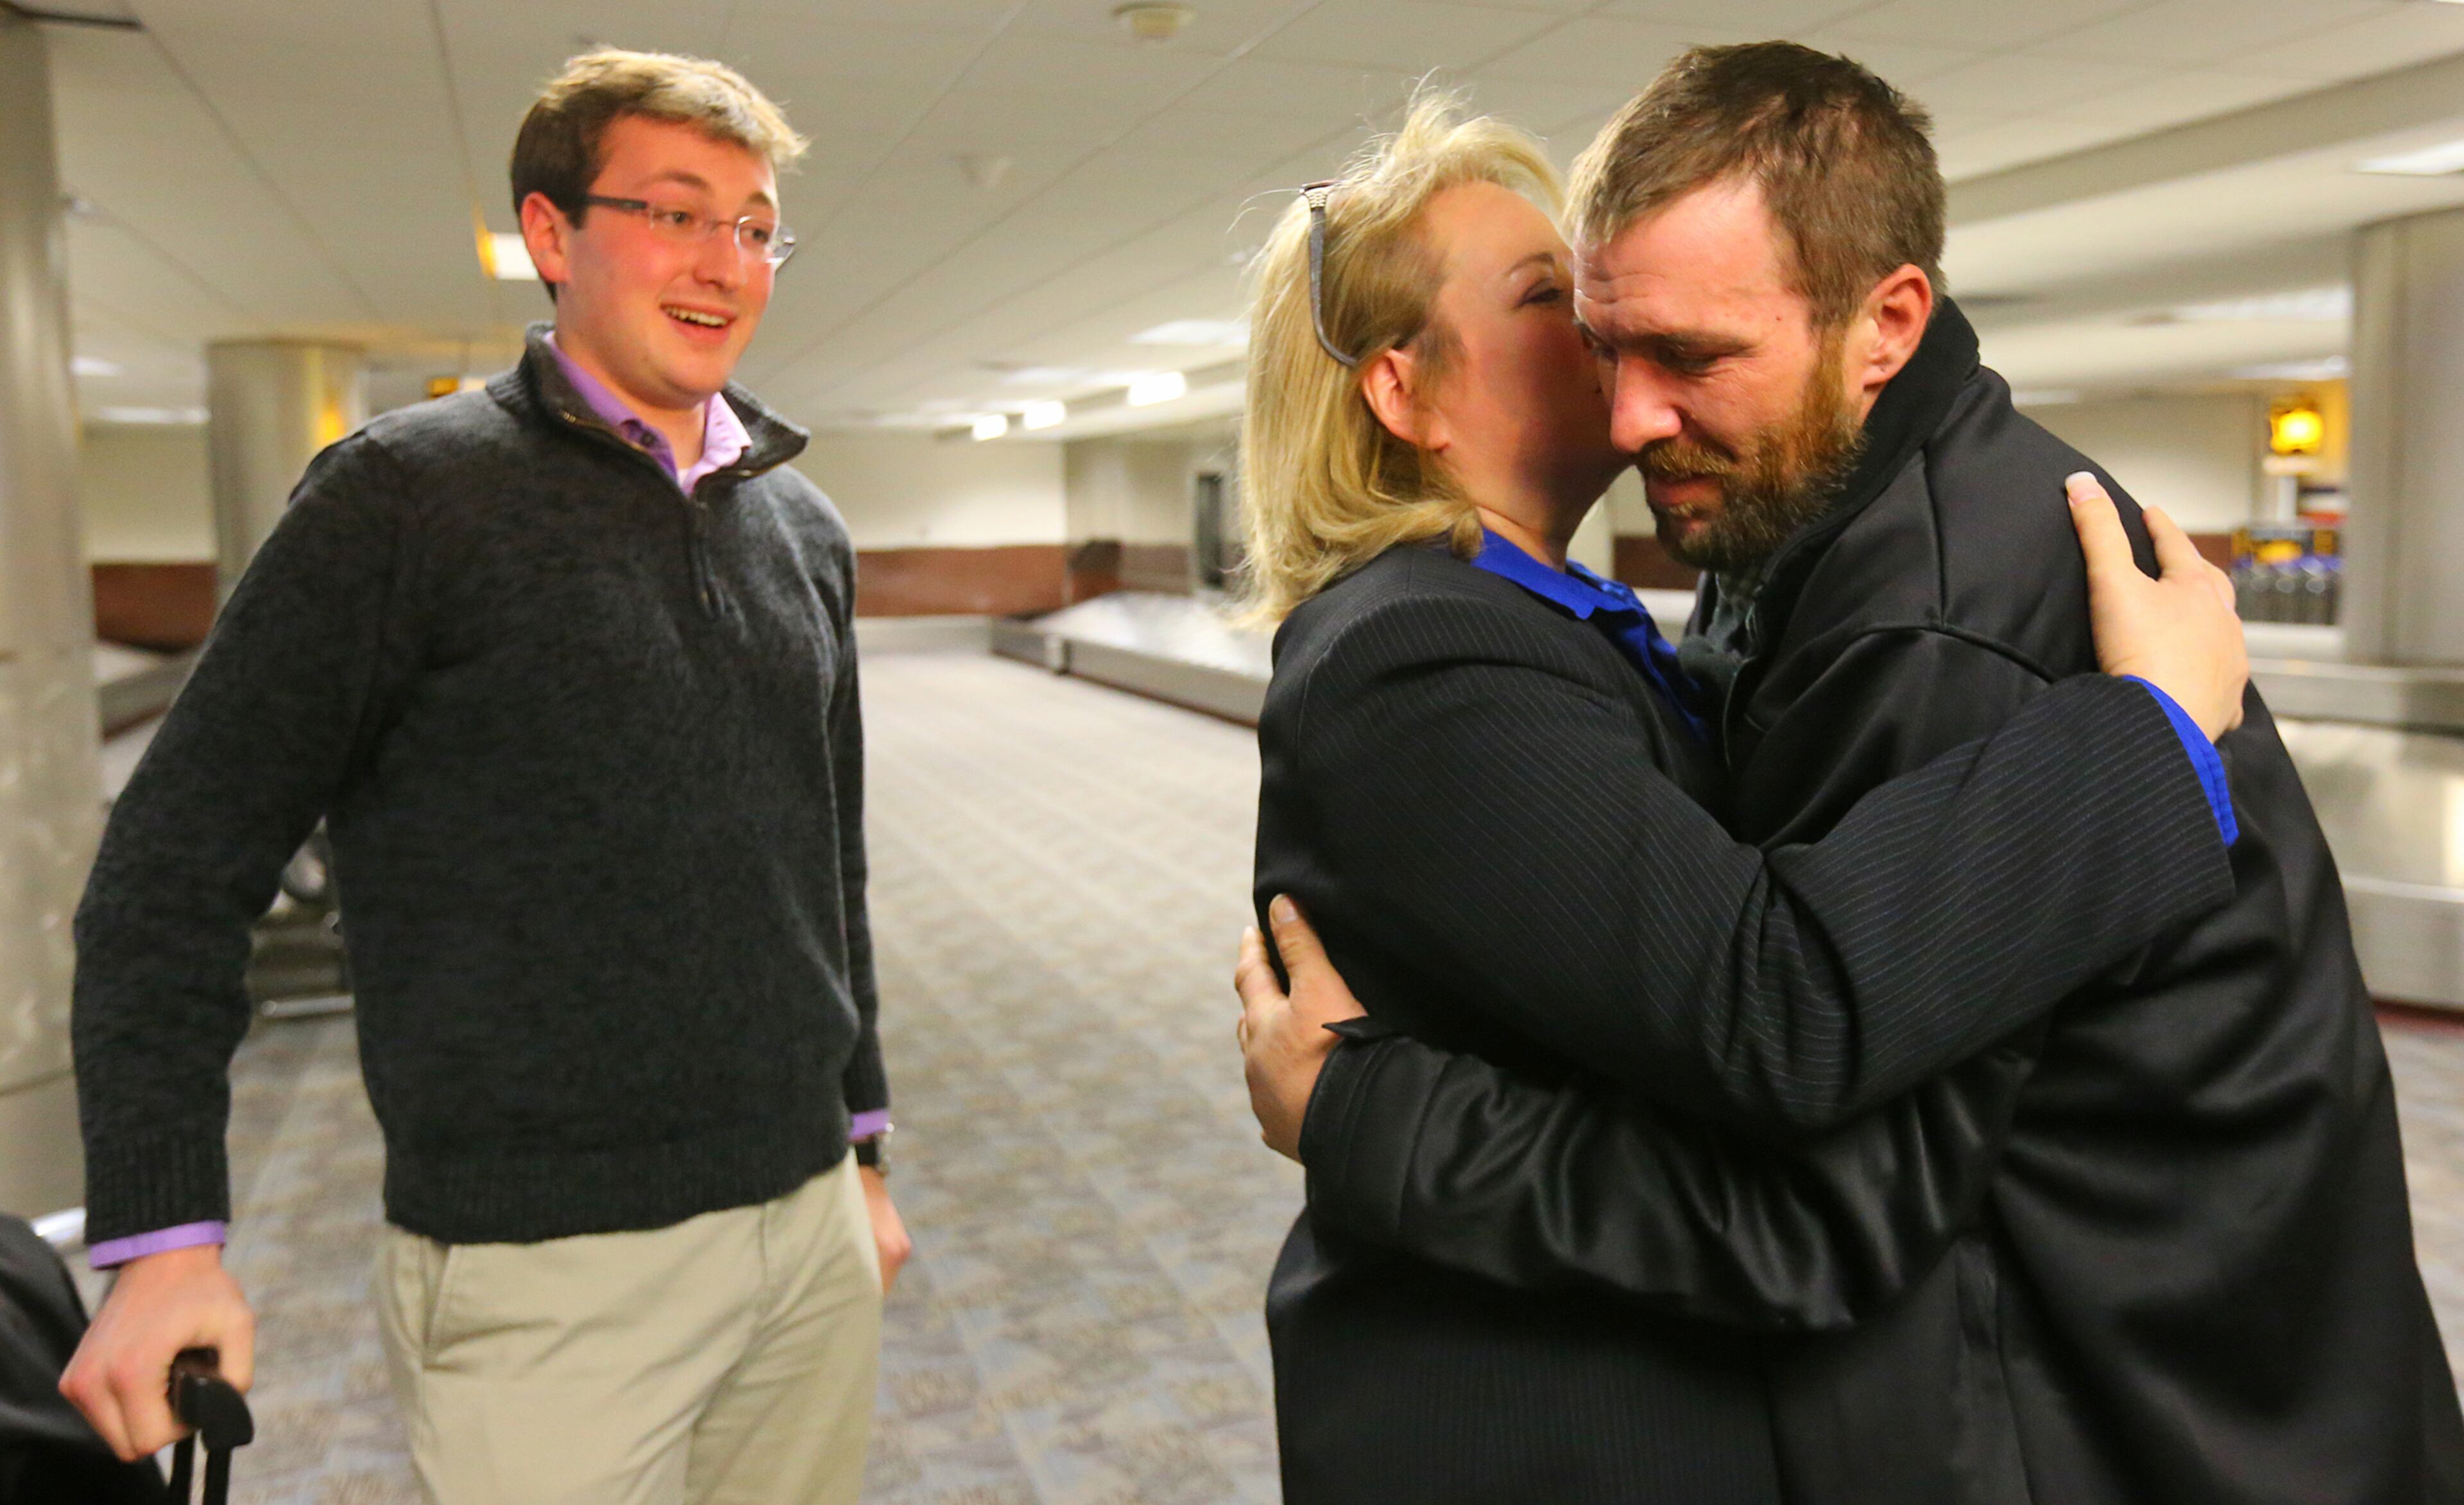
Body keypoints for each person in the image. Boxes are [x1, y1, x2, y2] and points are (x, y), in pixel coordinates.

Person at [1239, 44, 2464, 1505]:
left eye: (1683, 354)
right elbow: (1781, 1014)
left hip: (2172, 1413)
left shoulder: (1927, 620)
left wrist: (2155, 732)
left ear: (1885, 325)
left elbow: (1802, 1095)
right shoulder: (1528, 612)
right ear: (1402, 391)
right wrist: (2150, 727)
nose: (1628, 407)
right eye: (1587, 327)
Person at [62, 48, 907, 1505]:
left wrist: (863, 1142)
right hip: (543, 1274)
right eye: (676, 212)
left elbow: (826, 864)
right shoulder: (404, 498)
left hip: (808, 1234)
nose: (726, 263)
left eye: (757, 225)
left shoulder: (805, 529)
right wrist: (163, 1239)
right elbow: (170, 867)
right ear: (554, 232)